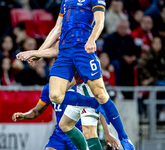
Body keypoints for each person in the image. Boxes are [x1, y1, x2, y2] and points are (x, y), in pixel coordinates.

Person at [17, 0, 135, 149]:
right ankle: (93, 104)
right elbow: (57, 28)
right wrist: (38, 52)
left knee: (100, 95)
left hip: (83, 48)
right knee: (55, 96)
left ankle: (124, 137)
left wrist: (92, 39)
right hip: (66, 53)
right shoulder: (65, 1)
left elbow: (100, 22)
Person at [12, 83, 119, 150]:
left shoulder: (80, 86)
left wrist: (107, 132)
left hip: (78, 135)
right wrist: (24, 115)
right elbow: (36, 112)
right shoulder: (49, 89)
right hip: (59, 134)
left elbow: (100, 107)